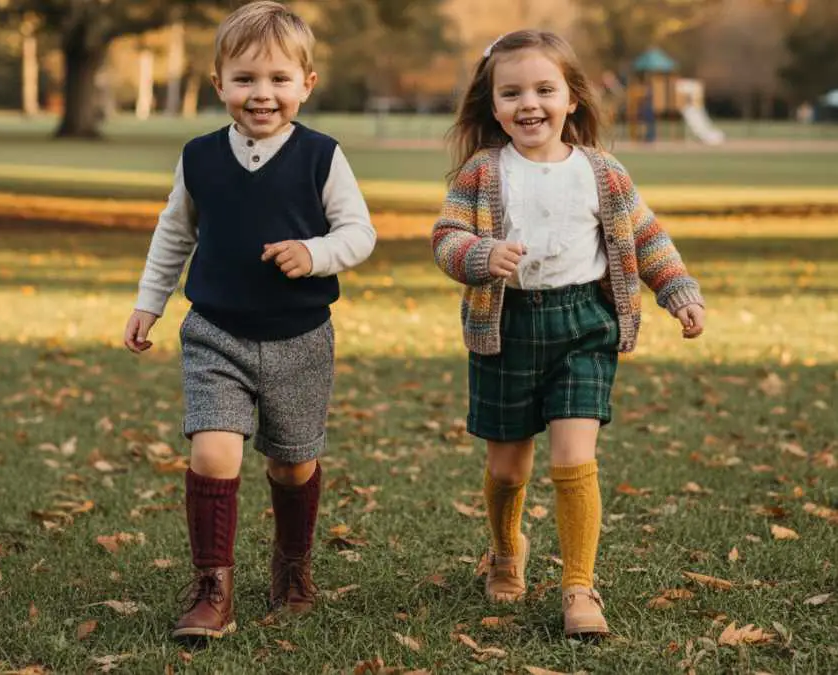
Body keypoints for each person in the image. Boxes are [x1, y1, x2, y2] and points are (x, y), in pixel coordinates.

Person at [431, 30, 705, 638]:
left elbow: (647, 239)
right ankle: (506, 551)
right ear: (494, 104)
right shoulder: (482, 172)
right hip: (506, 327)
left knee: (575, 458)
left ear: (572, 98)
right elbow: (446, 236)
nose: (529, 104)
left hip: (585, 326)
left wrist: (679, 292)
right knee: (507, 468)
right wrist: (479, 255)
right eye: (512, 93)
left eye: (544, 89)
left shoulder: (602, 172)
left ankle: (579, 586)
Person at [123, 0, 375, 640]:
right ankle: (213, 588)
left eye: (279, 80)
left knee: (292, 465)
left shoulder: (321, 156)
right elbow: (173, 235)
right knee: (213, 452)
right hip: (216, 332)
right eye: (245, 80)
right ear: (219, 85)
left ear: (306, 84)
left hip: (299, 339)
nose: (262, 95)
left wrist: (315, 253)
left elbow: (359, 233)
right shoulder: (200, 157)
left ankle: (292, 564)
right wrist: (149, 303)